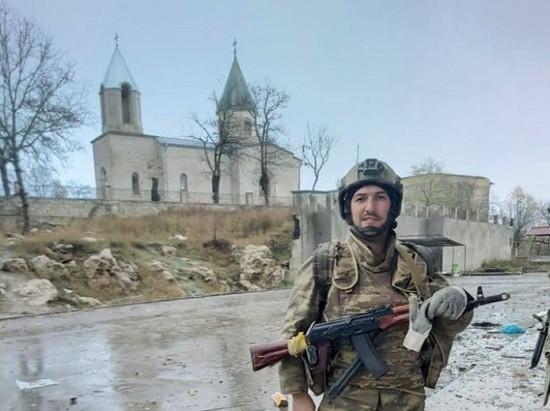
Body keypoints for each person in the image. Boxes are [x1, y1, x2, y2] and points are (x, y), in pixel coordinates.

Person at [279, 158, 473, 411]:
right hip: (345, 400)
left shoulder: (417, 262)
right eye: (361, 198)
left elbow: (449, 325)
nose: (370, 207)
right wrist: (298, 394)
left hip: (407, 401)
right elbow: (293, 333)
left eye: (380, 197)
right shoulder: (325, 261)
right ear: (347, 207)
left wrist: (459, 300)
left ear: (393, 205)